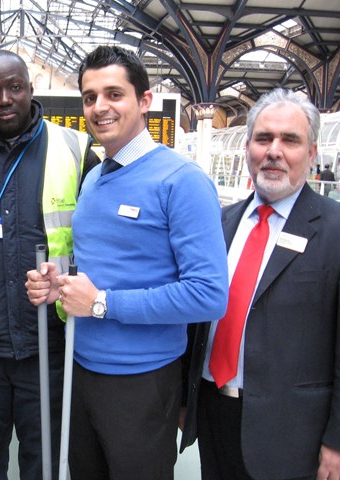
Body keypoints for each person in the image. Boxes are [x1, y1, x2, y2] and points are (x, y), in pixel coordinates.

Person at [26, 45, 229, 479]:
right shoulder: (96, 177)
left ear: (145, 101)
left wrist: (102, 303)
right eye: (90, 96)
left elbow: (209, 296)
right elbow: (101, 265)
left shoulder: (182, 181)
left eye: (114, 94)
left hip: (142, 383)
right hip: (81, 371)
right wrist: (59, 280)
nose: (100, 107)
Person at [0, 49, 100, 479]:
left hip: (50, 345)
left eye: (14, 87)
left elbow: (100, 247)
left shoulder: (76, 150)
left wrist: (71, 282)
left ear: (31, 88)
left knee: (43, 465)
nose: (4, 98)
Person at [180, 88, 340, 479]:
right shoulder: (220, 223)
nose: (274, 151)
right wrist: (186, 400)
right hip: (214, 416)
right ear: (248, 145)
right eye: (264, 138)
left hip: (292, 433)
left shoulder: (334, 230)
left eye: (290, 140)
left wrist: (336, 442)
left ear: (312, 152)